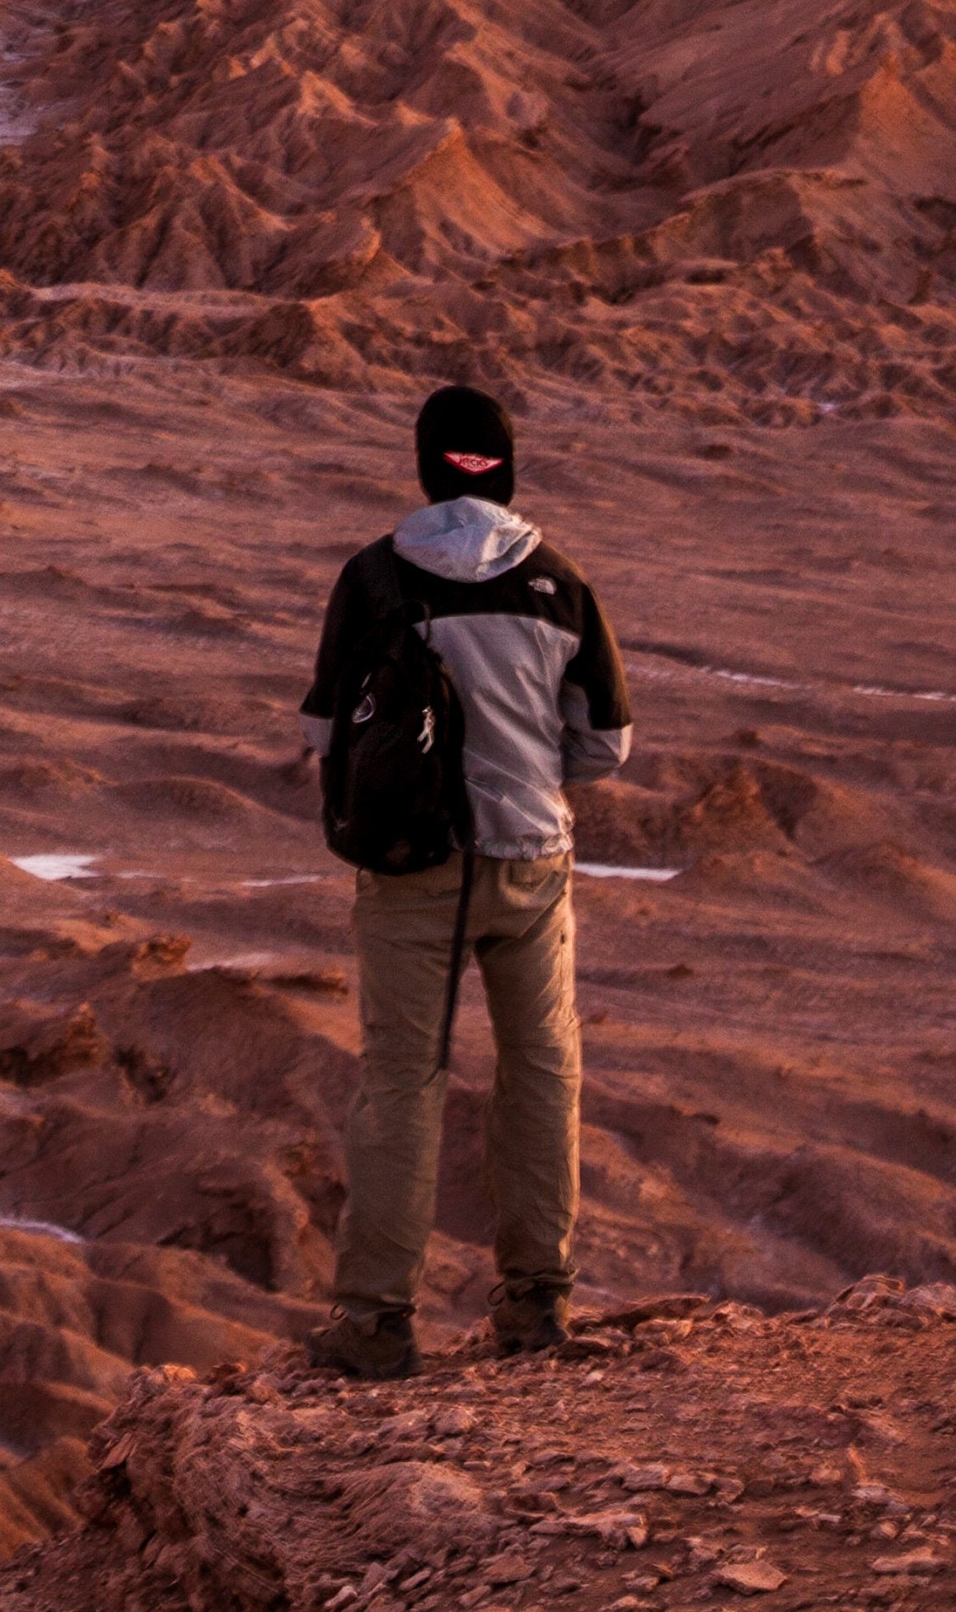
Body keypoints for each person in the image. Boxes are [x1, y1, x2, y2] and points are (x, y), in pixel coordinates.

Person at [295, 381, 633, 1379]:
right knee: (539, 1072)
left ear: (425, 464)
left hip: (409, 871)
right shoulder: (558, 580)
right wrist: (524, 765)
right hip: (530, 862)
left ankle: (373, 1324)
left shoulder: (370, 578)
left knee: (401, 1081)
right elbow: (605, 744)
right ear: (505, 463)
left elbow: (321, 730)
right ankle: (534, 1308)